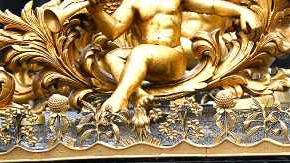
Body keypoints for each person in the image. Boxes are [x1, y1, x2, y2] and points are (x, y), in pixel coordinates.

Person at [87, 0, 262, 113]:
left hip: (173, 59)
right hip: (146, 59)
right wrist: (96, 12)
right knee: (112, 57)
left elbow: (212, 6)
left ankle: (120, 99)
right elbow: (113, 30)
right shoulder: (133, 2)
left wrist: (241, 11)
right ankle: (137, 94)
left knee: (140, 52)